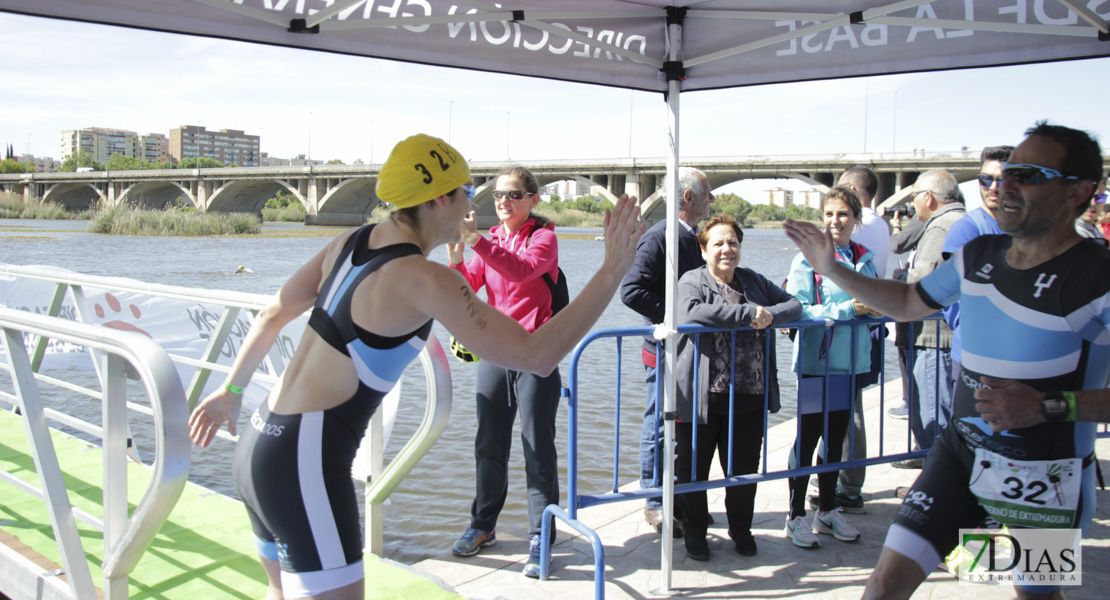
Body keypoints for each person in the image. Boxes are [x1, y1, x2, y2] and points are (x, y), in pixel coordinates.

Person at [186, 133, 644, 600]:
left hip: (259, 442)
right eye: (466, 191)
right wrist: (610, 270)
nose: (473, 203)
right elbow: (537, 354)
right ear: (440, 198)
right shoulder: (424, 278)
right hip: (305, 464)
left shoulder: (349, 241)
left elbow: (271, 314)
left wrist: (231, 392)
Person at [783, 121, 1109, 599]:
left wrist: (1051, 405)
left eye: (1029, 175)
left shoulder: (1098, 277)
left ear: (1078, 191)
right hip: (960, 455)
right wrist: (832, 268)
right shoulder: (978, 254)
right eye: (1004, 174)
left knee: (1036, 594)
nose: (1005, 186)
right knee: (884, 585)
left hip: (1048, 474)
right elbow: (909, 301)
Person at [445, 165, 562, 578]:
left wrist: (476, 241)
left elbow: (521, 270)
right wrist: (459, 258)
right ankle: (482, 525)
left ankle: (540, 535)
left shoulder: (543, 239)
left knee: (537, 447)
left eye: (513, 195)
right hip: (496, 355)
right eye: (497, 195)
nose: (503, 202)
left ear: (533, 200)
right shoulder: (491, 241)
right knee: (489, 446)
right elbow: (465, 294)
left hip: (536, 356)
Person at [674, 214, 802, 560]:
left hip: (749, 396)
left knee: (744, 472)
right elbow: (689, 313)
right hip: (702, 398)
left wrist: (770, 315)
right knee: (693, 471)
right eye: (717, 243)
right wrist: (747, 315)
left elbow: (794, 305)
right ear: (704, 250)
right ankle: (695, 532)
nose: (726, 249)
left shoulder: (754, 281)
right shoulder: (692, 281)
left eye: (732, 242)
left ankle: (741, 530)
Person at [620, 166, 713, 537]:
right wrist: (675, 316)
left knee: (687, 425)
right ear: (689, 197)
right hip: (663, 349)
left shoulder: (697, 238)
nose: (713, 199)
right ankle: (654, 500)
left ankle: (684, 499)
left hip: (692, 350)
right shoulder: (660, 237)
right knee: (658, 424)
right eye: (708, 192)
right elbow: (631, 290)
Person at [784, 186, 877, 549]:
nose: (835, 221)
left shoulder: (864, 258)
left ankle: (827, 509)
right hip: (816, 364)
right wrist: (848, 310)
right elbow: (800, 310)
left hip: (850, 364)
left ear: (856, 219)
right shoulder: (806, 260)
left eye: (842, 214)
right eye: (828, 214)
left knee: (835, 439)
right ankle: (795, 516)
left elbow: (872, 305)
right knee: (807, 439)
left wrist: (878, 310)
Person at [941, 145, 1013, 398]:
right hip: (977, 359)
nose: (993, 186)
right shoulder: (967, 230)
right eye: (986, 179)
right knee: (972, 433)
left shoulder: (1027, 230)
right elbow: (952, 291)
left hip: (1017, 359)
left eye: (1002, 179)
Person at [903, 170, 965, 455]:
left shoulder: (942, 227)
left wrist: (898, 279)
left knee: (932, 425)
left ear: (928, 197)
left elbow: (922, 283)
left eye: (914, 197)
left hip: (935, 339)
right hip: (957, 337)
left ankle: (939, 494)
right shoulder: (965, 221)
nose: (912, 204)